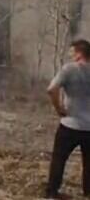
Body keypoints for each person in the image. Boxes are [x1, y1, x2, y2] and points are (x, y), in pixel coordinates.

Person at [45, 39, 90, 199]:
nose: (70, 55)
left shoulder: (69, 69)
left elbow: (51, 89)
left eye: (72, 52)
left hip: (70, 124)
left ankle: (52, 191)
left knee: (59, 158)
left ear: (79, 53)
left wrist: (59, 108)